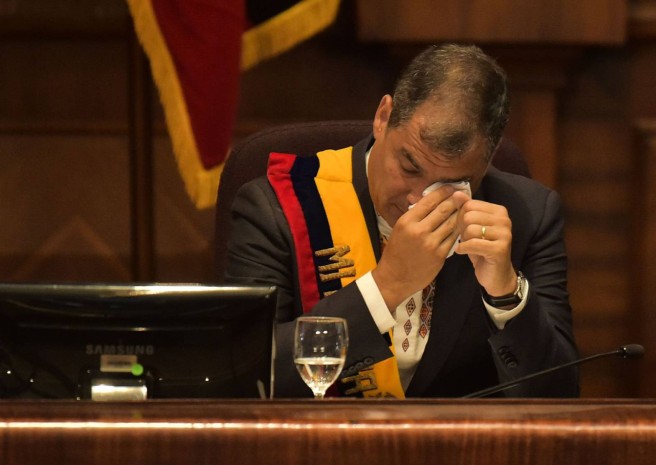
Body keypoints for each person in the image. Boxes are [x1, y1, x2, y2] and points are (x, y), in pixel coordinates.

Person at [225, 43, 579, 398]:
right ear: (382, 117)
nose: (416, 200)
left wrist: (506, 295)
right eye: (409, 166)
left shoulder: (527, 214)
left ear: (486, 163)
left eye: (451, 184)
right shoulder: (278, 207)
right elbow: (244, 376)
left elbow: (560, 395)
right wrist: (388, 284)